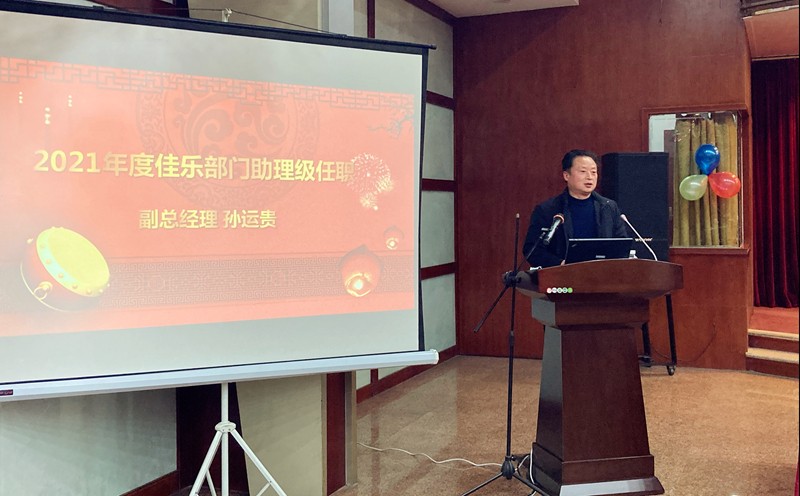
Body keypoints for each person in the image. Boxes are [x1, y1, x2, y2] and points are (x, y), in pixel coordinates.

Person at [522, 149, 628, 268]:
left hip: (602, 274)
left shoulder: (609, 207)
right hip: (563, 274)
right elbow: (532, 250)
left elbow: (622, 244)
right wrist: (560, 264)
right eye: (583, 171)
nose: (590, 177)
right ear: (566, 175)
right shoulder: (548, 209)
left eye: (594, 172)